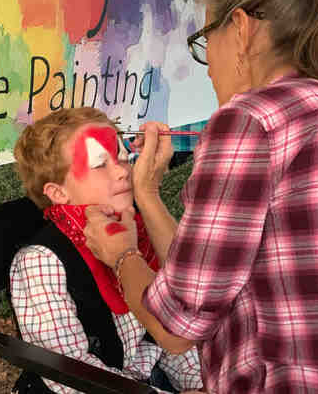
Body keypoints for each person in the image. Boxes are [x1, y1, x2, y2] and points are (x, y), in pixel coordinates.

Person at [83, 0, 318, 393]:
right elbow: (207, 282)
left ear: (242, 29)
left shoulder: (253, 119)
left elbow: (176, 327)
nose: (208, 69)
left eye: (206, 41)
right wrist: (147, 194)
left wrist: (121, 255)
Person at [10, 107, 204, 394]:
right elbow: (69, 373)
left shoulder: (136, 231)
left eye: (122, 157)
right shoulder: (41, 262)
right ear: (59, 193)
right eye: (100, 164)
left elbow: (171, 334)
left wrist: (201, 383)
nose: (123, 171)